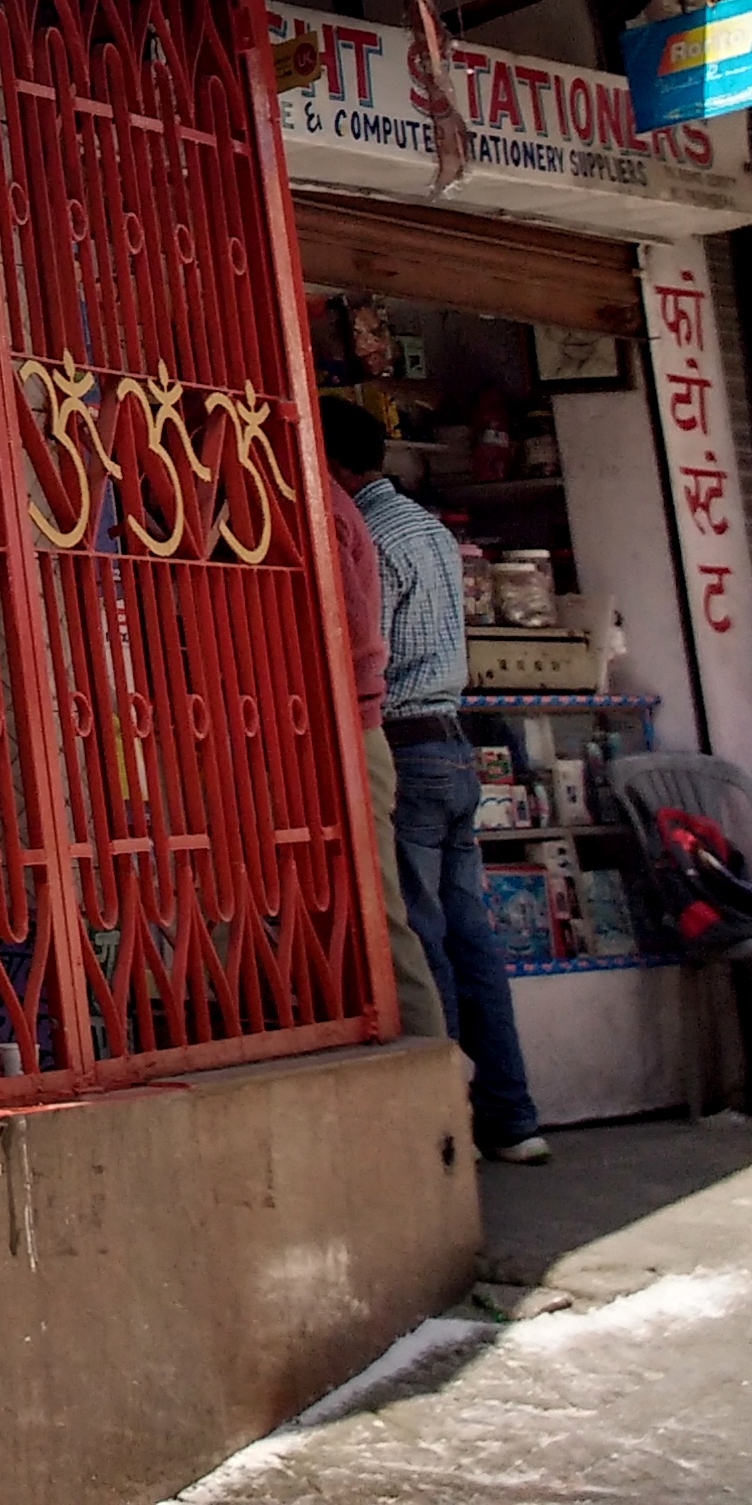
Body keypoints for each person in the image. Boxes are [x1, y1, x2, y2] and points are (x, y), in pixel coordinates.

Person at [342, 394, 548, 1161]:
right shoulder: (429, 529)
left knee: (419, 935)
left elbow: (368, 651)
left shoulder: (362, 533)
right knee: (472, 939)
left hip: (404, 745)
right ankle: (513, 1118)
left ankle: (444, 1123)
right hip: (456, 746)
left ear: (334, 465)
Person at [319, 396, 442, 1045]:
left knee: (382, 920)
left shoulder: (327, 512)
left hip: (358, 729)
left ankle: (429, 1078)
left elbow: (357, 639)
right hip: (398, 731)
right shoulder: (429, 528)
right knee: (404, 920)